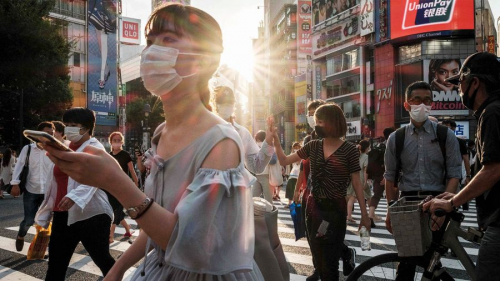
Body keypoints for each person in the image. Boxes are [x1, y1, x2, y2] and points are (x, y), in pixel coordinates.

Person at [43, 4, 264, 280]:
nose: (151, 51)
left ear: (204, 59)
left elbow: (193, 247)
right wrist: (118, 268)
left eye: (168, 39)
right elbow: (157, 223)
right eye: (149, 42)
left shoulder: (221, 141)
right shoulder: (161, 131)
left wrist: (115, 181)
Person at [423, 52, 500, 279]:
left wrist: (454, 202)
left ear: (474, 82)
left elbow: (494, 169)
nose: (458, 89)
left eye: (460, 83)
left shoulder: (492, 112)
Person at [273, 103, 370, 280]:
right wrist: (276, 141)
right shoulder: (313, 146)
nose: (316, 125)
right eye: (316, 121)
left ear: (333, 122)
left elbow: (357, 182)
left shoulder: (349, 150)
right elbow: (284, 160)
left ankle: (343, 258)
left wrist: (364, 214)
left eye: (320, 122)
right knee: (319, 259)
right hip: (313, 208)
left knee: (330, 263)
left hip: (336, 210)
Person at [384, 81, 462, 279]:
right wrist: (391, 209)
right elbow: (390, 177)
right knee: (406, 263)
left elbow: (454, 174)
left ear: (432, 104)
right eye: (416, 100)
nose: (422, 104)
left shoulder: (446, 135)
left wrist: (445, 206)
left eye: (427, 100)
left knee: (433, 261)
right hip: (407, 204)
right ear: (406, 104)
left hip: (437, 201)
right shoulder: (396, 138)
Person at [35, 108, 115, 280]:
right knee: (56, 265)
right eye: (66, 125)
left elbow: (94, 177)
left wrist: (75, 196)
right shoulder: (63, 147)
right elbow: (54, 183)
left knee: (103, 260)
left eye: (74, 125)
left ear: (86, 128)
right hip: (62, 214)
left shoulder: (95, 147)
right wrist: (48, 210)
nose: (68, 128)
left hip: (91, 215)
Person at [296, 99, 356, 280]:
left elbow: (351, 175)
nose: (313, 119)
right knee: (313, 237)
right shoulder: (310, 139)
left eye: (316, 114)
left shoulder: (341, 145)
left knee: (328, 239)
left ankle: (342, 255)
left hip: (331, 199)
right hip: (311, 194)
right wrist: (299, 188)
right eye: (311, 114)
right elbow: (302, 165)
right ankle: (319, 269)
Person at [10, 121, 54, 251]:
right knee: (29, 220)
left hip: (48, 191)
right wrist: (15, 184)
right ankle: (21, 235)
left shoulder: (53, 150)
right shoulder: (28, 148)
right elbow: (19, 166)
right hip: (31, 189)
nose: (50, 136)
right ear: (39, 134)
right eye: (47, 133)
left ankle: (41, 248)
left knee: (45, 222)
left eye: (52, 134)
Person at [213, 86, 275, 175]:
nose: (226, 106)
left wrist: (268, 141)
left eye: (229, 102)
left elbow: (257, 166)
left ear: (234, 104)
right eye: (222, 102)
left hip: (235, 187)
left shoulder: (242, 133)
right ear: (214, 104)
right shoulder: (204, 131)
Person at [108, 131, 139, 242]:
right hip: (110, 188)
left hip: (122, 188)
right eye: (114, 140)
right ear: (110, 142)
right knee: (117, 211)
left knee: (116, 210)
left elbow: (132, 171)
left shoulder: (125, 155)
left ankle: (110, 235)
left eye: (118, 140)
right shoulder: (109, 155)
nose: (116, 142)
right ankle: (128, 230)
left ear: (122, 142)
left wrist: (136, 186)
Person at [366, 127, 394, 227]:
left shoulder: (379, 146)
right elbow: (390, 163)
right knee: (393, 197)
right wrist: (385, 176)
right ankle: (391, 218)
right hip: (388, 176)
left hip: (377, 176)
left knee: (376, 196)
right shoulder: (392, 145)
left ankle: (370, 217)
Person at [441, 119, 471, 210]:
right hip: (439, 177)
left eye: (448, 126)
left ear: (454, 128)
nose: (446, 128)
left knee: (453, 201)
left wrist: (468, 176)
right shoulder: (438, 141)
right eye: (444, 126)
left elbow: (466, 159)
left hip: (454, 177)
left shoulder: (460, 142)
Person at [346, 139, 372, 224]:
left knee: (351, 198)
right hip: (360, 179)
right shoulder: (366, 157)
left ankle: (349, 215)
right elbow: (365, 170)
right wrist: (365, 181)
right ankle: (370, 214)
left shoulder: (356, 155)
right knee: (357, 197)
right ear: (367, 148)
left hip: (353, 178)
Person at [254, 130, 273, 203]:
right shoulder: (267, 145)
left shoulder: (258, 146)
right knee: (268, 198)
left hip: (262, 175)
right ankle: (270, 213)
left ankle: (269, 213)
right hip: (262, 174)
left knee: (254, 198)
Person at [285, 142, 301, 208]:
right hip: (292, 174)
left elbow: (298, 162)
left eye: (297, 147)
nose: (296, 149)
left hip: (299, 174)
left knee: (298, 189)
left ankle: (296, 203)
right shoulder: (292, 154)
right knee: (290, 188)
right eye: (295, 148)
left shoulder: (302, 154)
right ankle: (289, 203)